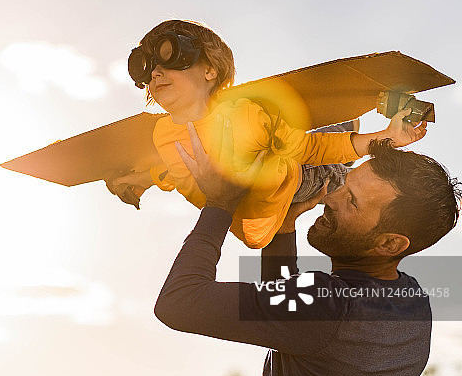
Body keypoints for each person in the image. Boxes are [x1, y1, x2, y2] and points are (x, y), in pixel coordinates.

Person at [154, 120, 461, 376]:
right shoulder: (412, 302)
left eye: (351, 201)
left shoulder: (328, 307)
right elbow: (290, 312)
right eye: (344, 184)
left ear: (389, 243)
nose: (330, 197)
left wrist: (219, 205)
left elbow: (179, 302)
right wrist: (284, 224)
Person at [107, 20, 427, 248]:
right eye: (147, 70)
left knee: (331, 149)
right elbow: (182, 175)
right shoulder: (165, 134)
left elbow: (311, 148)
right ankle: (355, 124)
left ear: (210, 70)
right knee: (336, 175)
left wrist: (384, 137)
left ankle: (362, 117)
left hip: (289, 177)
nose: (156, 73)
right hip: (292, 190)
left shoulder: (245, 116)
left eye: (169, 58)